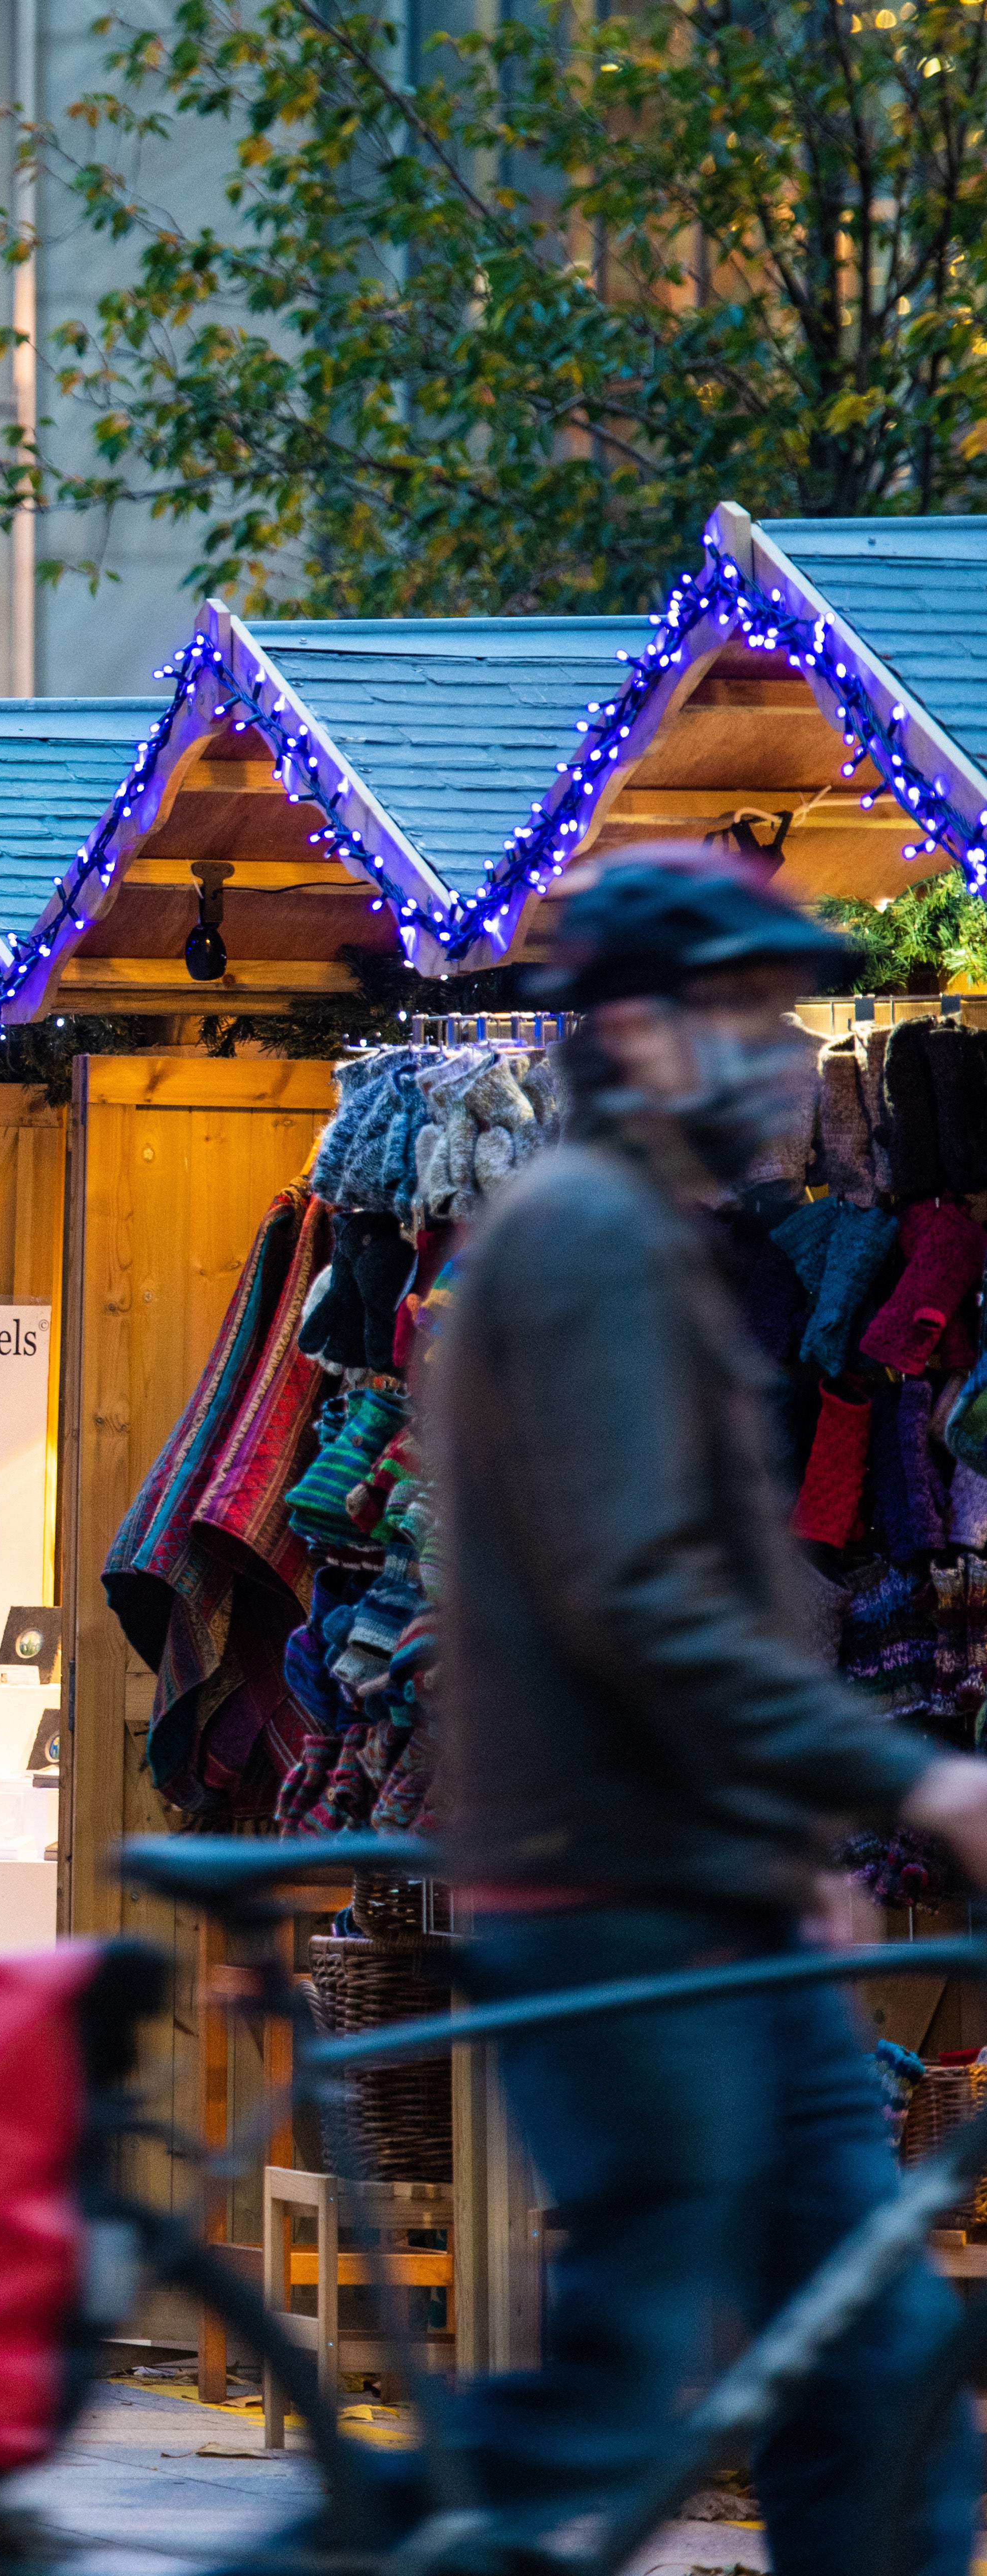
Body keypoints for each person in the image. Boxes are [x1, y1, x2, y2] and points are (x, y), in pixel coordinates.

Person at [431, 852, 987, 2574]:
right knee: (643, 2406)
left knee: (865, 2384)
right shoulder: (585, 1244)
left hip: (700, 1906)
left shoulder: (632, 1238)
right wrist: (910, 1778)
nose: (778, 1060)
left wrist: (776, 1844)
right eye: (740, 1019)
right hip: (622, 1919)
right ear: (632, 1037)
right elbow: (638, 1602)